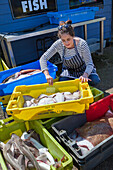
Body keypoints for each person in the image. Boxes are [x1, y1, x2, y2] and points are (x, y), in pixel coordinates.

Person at [40, 20, 100, 86]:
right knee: (63, 83)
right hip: (69, 72)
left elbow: (90, 64)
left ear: (73, 36)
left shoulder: (82, 44)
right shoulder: (58, 44)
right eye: (63, 40)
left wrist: (85, 75)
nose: (66, 43)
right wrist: (47, 75)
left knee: (94, 80)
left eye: (68, 39)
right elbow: (43, 58)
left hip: (84, 69)